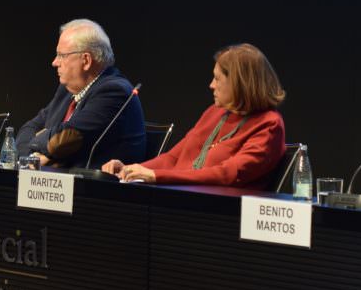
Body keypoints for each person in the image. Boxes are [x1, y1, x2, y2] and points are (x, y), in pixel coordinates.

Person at [102, 43, 286, 187]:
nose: (211, 85)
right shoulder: (215, 112)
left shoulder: (268, 125)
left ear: (240, 83)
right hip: (180, 199)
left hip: (217, 215)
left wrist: (156, 176)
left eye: (217, 78)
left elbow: (226, 175)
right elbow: (173, 158)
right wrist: (131, 170)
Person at [17, 19, 145, 168]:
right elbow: (28, 129)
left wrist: (43, 142)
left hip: (99, 188)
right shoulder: (66, 91)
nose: (54, 62)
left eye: (61, 55)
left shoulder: (114, 92)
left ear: (86, 60)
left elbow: (66, 138)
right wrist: (35, 156)